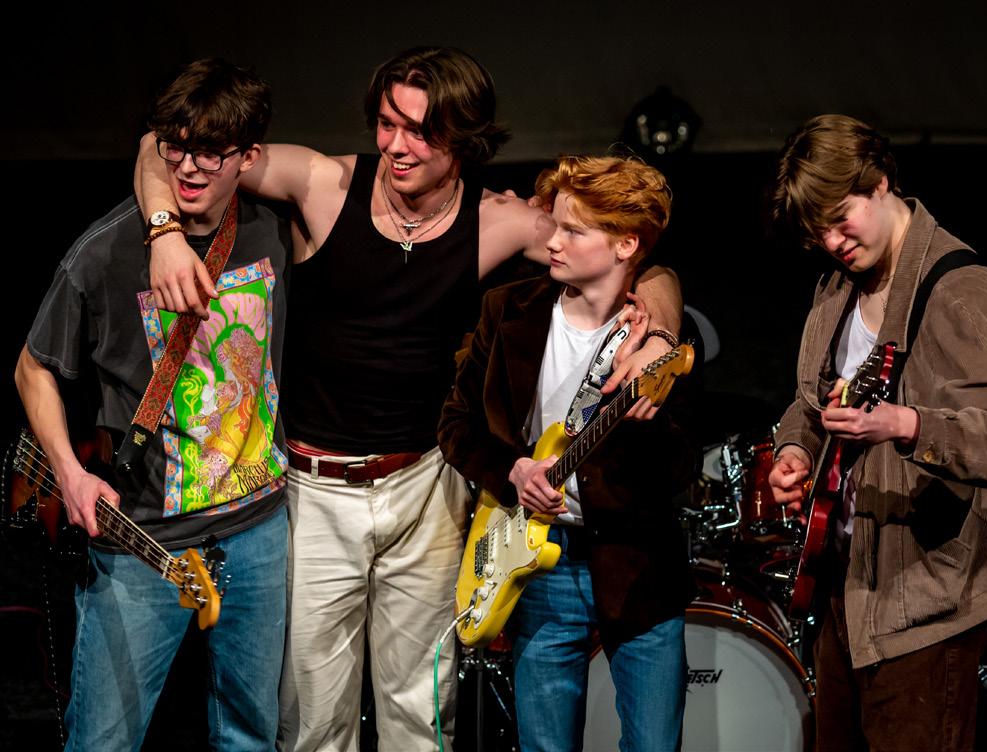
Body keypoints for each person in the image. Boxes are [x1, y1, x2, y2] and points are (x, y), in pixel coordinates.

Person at [135, 47, 683, 751]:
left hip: (426, 489)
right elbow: (160, 145)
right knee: (314, 721)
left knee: (422, 719)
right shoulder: (325, 183)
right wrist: (164, 233)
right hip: (315, 489)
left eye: (421, 132)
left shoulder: (499, 220)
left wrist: (660, 326)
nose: (397, 144)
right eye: (388, 123)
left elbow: (636, 257)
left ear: (463, 139)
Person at [14, 59, 290, 750]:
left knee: (251, 736)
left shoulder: (270, 231)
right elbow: (32, 368)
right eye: (176, 146)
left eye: (211, 151)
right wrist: (69, 473)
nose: (189, 167)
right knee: (103, 740)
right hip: (144, 545)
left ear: (249, 157)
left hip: (257, 532)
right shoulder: (105, 252)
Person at [768, 114, 987, 751]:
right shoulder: (837, 287)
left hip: (926, 602)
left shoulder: (960, 289)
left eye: (840, 218)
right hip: (846, 589)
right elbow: (810, 402)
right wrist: (795, 450)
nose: (832, 242)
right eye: (818, 232)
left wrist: (905, 424)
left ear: (879, 181)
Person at [439, 155, 700, 752]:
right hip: (537, 565)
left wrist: (643, 417)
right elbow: (456, 423)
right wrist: (513, 470)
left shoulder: (662, 342)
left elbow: (681, 466)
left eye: (573, 231)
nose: (552, 241)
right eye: (555, 225)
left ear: (626, 244)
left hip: (637, 570)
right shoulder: (507, 309)